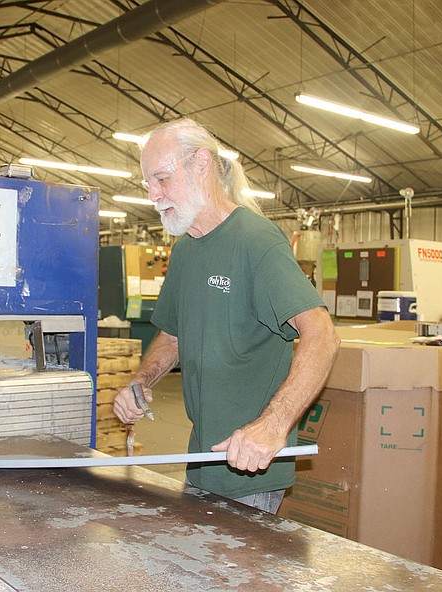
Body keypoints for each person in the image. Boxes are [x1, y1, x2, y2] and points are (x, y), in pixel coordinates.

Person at [112, 118, 340, 514]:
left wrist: (273, 426)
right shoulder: (185, 250)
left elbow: (322, 335)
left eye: (162, 179)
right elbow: (172, 336)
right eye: (148, 183)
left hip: (249, 467)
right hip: (202, 460)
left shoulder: (256, 241)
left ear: (201, 165)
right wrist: (140, 381)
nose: (153, 194)